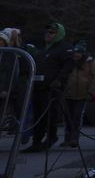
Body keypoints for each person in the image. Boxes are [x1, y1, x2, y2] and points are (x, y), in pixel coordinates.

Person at [23, 22, 74, 153]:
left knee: (50, 114)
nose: (48, 35)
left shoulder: (65, 48)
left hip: (52, 88)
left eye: (52, 32)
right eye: (47, 32)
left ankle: (51, 137)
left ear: (59, 34)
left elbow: (68, 67)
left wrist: (58, 81)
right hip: (37, 86)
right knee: (37, 115)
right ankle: (36, 142)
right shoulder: (41, 47)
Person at [62, 41, 95, 148]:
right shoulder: (69, 61)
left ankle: (74, 138)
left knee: (77, 115)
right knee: (68, 116)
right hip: (68, 93)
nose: (76, 55)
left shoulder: (90, 62)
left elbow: (94, 76)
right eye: (75, 52)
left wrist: (91, 91)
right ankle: (67, 137)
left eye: (79, 52)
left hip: (83, 94)